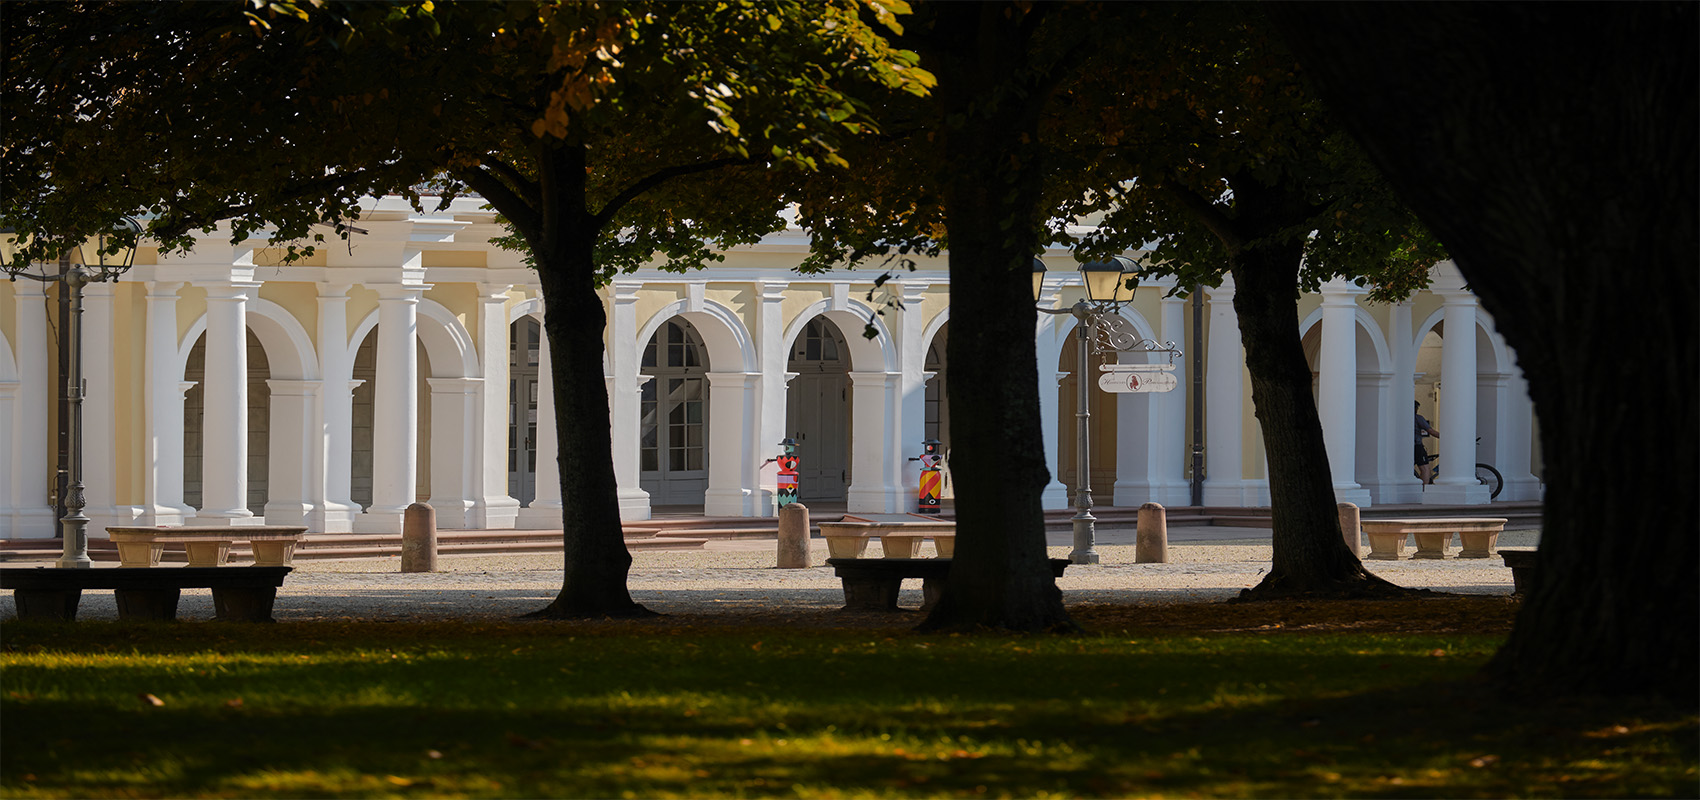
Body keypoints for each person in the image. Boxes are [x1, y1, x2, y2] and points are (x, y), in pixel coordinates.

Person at [1414, 401, 1441, 484]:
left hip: (1404, 447)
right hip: (1417, 446)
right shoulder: (1417, 418)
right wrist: (1446, 438)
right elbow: (1431, 431)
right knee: (1425, 469)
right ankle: (1424, 489)